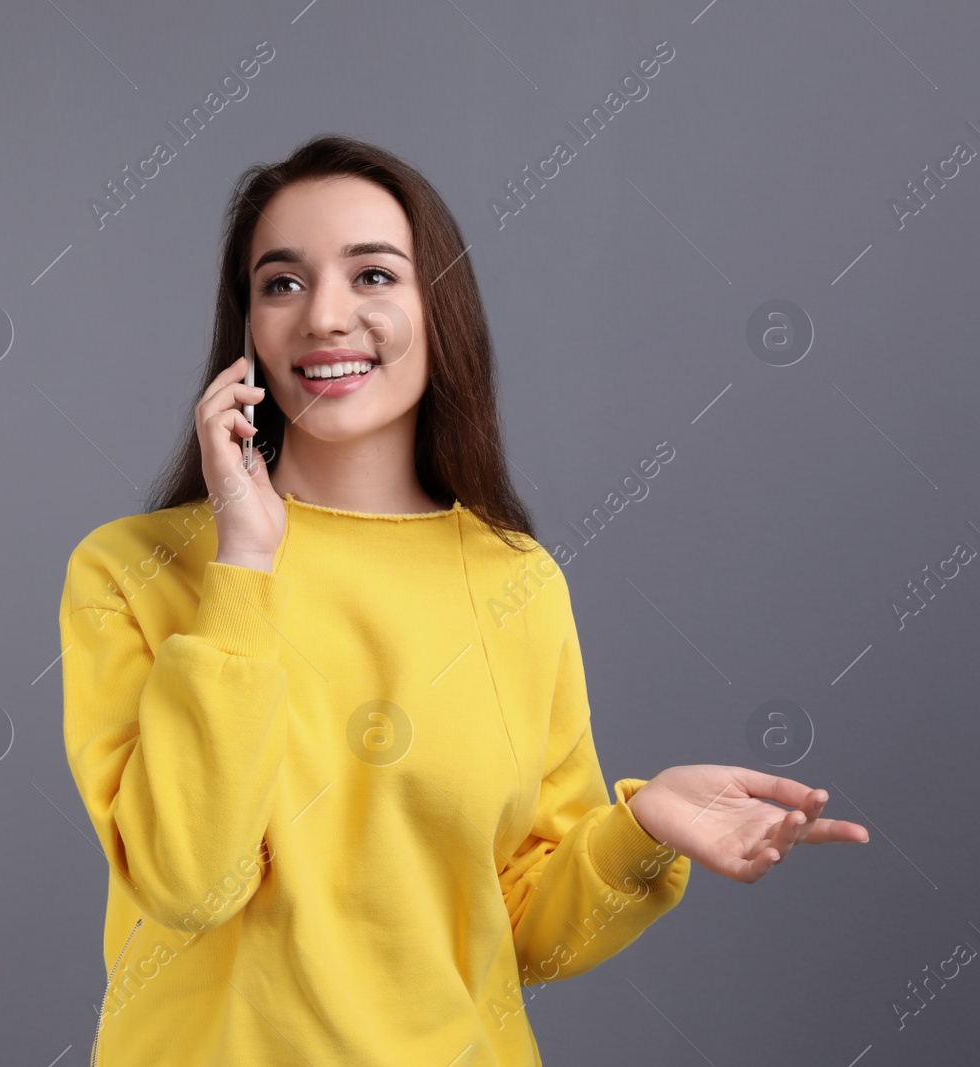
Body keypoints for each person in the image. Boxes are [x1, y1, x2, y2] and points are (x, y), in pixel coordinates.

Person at [57, 134, 869, 1066]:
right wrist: (243, 560)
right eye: (281, 283)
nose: (325, 315)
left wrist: (638, 831)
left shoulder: (516, 581)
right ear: (245, 331)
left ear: (437, 307)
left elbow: (525, 932)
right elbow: (190, 882)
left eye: (372, 276)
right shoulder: (133, 572)